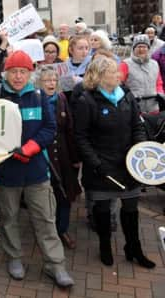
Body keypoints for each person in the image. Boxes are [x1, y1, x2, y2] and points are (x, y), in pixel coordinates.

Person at [0, 50, 74, 287]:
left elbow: (49, 127)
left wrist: (30, 148)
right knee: (9, 218)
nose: (18, 77)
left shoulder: (39, 96)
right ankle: (14, 258)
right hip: (5, 172)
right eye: (14, 72)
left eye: (23, 72)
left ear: (30, 73)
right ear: (6, 73)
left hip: (35, 170)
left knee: (45, 219)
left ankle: (55, 265)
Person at [74, 57, 155, 269]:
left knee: (131, 207)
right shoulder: (87, 101)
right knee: (102, 209)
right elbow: (80, 137)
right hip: (102, 166)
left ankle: (133, 248)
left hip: (128, 164)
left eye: (117, 71)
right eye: (112, 72)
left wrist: (139, 150)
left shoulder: (126, 96)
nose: (118, 75)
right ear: (99, 76)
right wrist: (95, 163)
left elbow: (137, 126)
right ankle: (105, 246)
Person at [36, 66, 82, 250]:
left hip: (62, 153)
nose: (51, 84)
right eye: (47, 80)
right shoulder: (35, 100)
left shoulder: (62, 99)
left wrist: (75, 157)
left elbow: (70, 129)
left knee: (64, 193)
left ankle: (62, 229)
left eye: (54, 80)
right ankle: (47, 232)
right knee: (44, 196)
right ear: (40, 82)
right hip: (43, 154)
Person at [119, 34, 163, 113]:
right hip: (134, 108)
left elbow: (159, 83)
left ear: (148, 48)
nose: (142, 49)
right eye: (139, 47)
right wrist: (128, 97)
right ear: (134, 48)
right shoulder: (125, 64)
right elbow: (119, 84)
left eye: (144, 47)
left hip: (153, 107)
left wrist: (160, 93)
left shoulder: (155, 64)